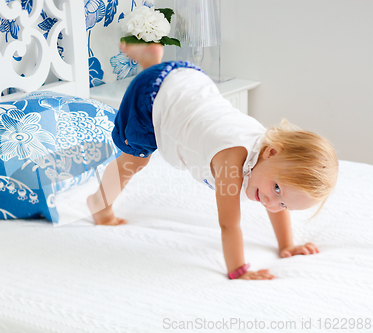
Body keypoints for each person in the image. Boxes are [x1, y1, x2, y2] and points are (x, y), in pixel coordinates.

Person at [87, 43, 338, 280]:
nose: (272, 203)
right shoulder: (231, 162)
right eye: (276, 189)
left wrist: (287, 244)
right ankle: (99, 204)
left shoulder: (269, 160)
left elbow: (278, 196)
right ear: (271, 153)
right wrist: (239, 270)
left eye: (284, 204)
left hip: (189, 82)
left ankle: (150, 59)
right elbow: (229, 224)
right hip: (151, 98)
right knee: (135, 160)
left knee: (277, 196)